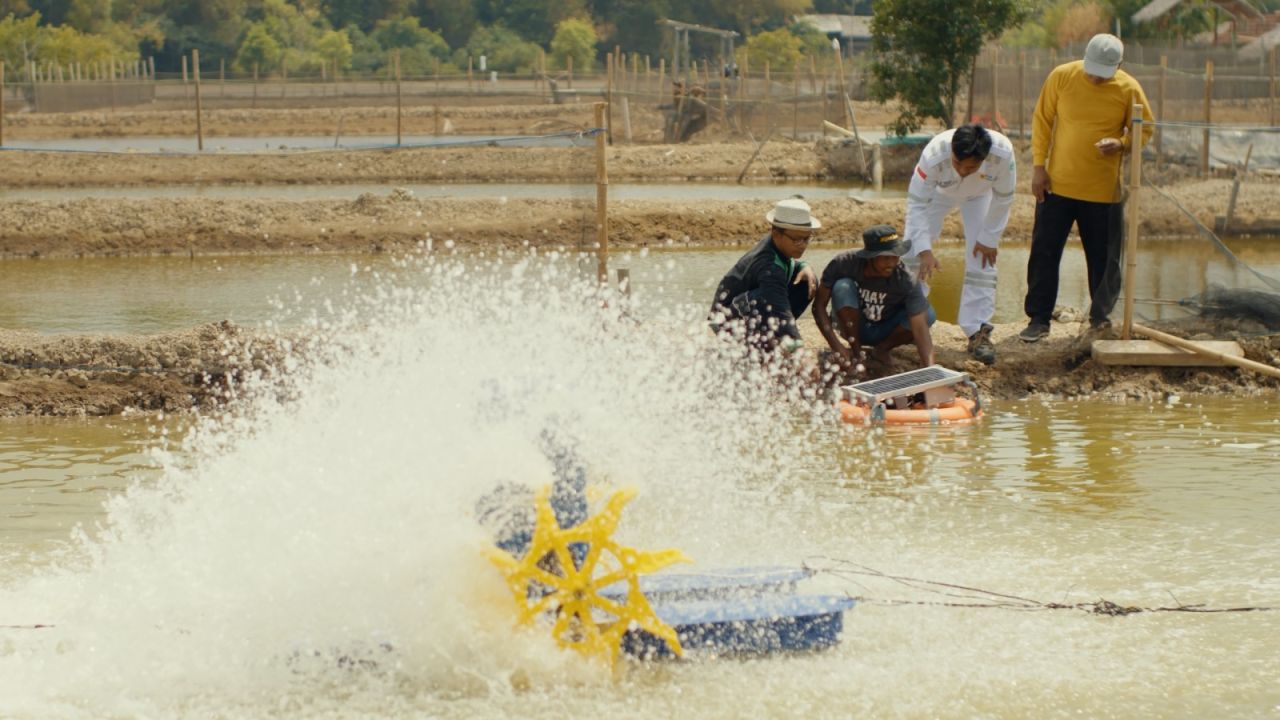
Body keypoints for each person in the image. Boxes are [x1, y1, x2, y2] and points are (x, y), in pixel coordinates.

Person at [1020, 33, 1154, 343]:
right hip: (1057, 185)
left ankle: (1100, 318)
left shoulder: (1129, 88)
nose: (1094, 77)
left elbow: (1145, 129)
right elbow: (1042, 121)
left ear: (1118, 65)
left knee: (1104, 258)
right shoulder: (1062, 76)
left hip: (1103, 192)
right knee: (1044, 252)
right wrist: (1039, 167)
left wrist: (1121, 143)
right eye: (1092, 69)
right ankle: (1039, 319)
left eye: (1102, 72)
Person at [902, 123, 1016, 365]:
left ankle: (978, 332)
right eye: (958, 164)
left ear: (984, 158)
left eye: (971, 166)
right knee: (911, 254)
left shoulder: (1003, 153)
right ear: (951, 151)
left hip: (980, 196)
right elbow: (916, 204)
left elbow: (1004, 198)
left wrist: (989, 238)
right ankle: (909, 321)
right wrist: (924, 250)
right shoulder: (934, 155)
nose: (964, 171)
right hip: (937, 195)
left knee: (983, 258)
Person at [813, 224, 936, 375]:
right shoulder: (844, 263)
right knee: (842, 286)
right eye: (885, 258)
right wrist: (836, 346)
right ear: (870, 256)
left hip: (885, 330)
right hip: (853, 328)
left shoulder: (906, 278)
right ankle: (857, 353)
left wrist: (930, 370)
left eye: (895, 256)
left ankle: (882, 349)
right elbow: (818, 306)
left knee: (927, 314)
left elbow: (920, 328)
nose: (891, 263)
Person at [709, 198, 820, 356]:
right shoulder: (768, 265)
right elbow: (779, 307)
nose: (802, 245)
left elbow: (788, 267)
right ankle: (769, 341)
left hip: (746, 309)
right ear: (776, 233)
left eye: (807, 238)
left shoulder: (777, 247)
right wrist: (798, 349)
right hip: (725, 320)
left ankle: (774, 336)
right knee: (767, 298)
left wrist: (804, 266)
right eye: (796, 239)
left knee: (807, 280)